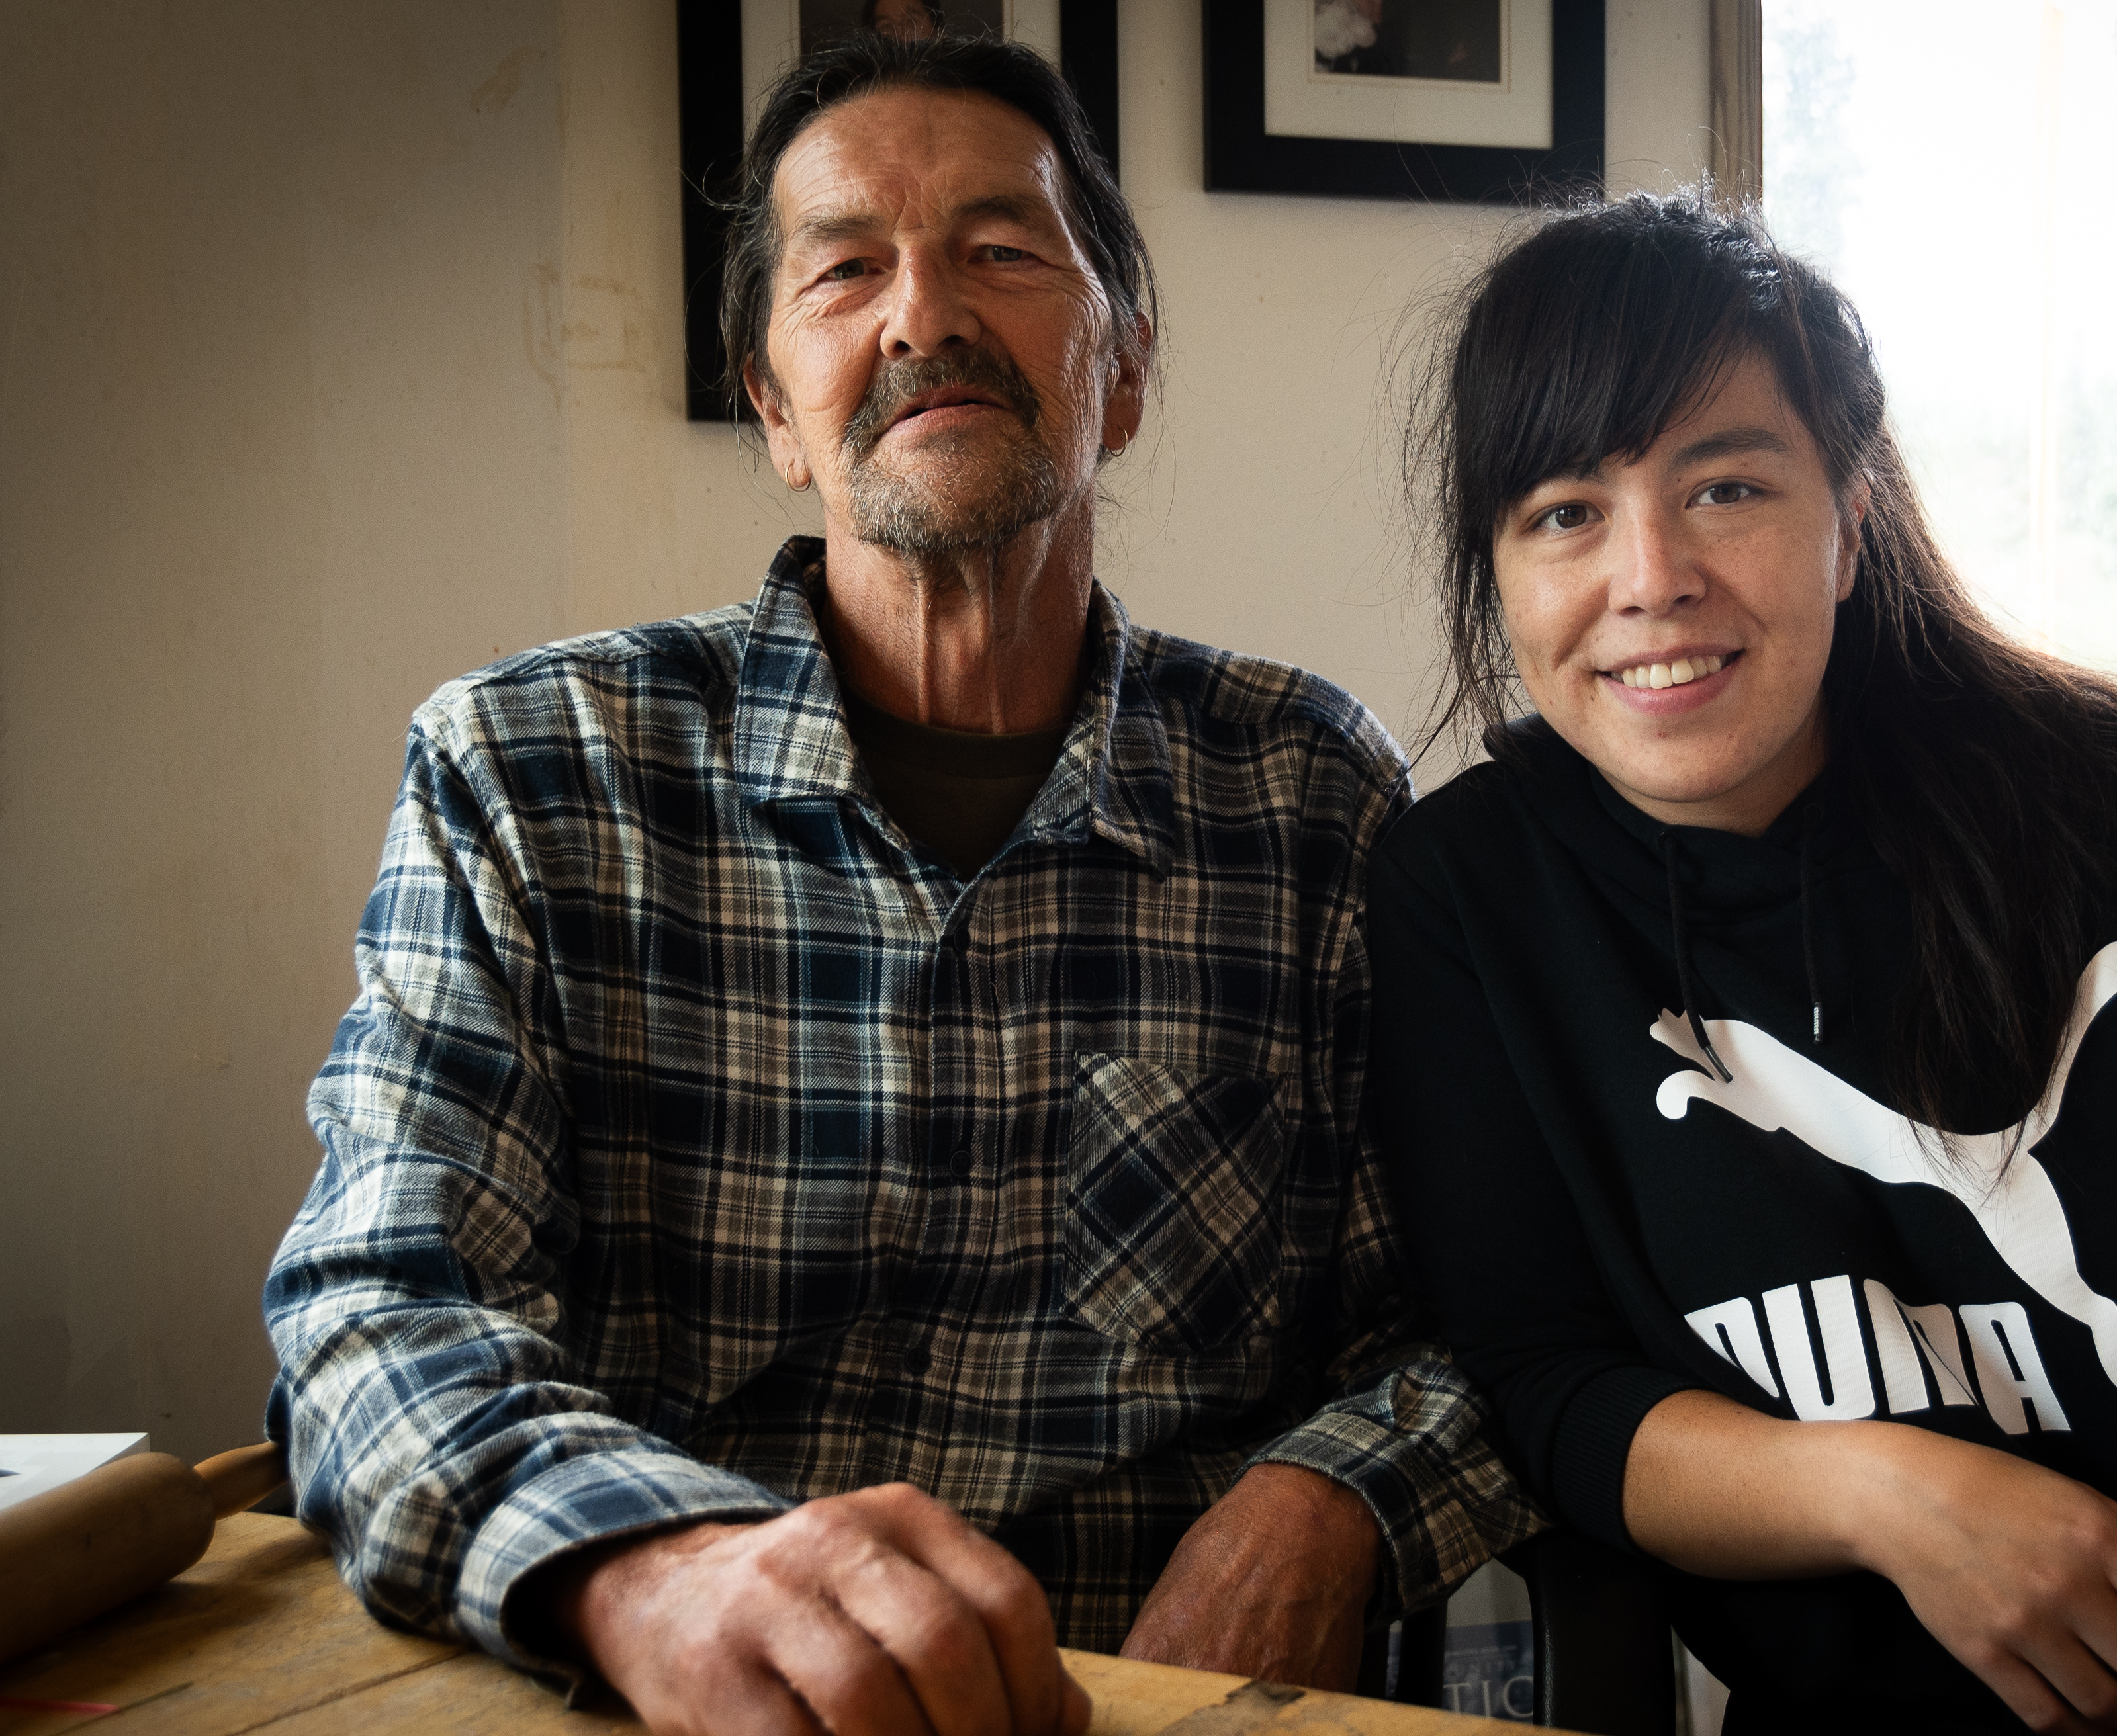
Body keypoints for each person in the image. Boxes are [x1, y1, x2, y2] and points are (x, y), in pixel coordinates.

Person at [262, 32, 1530, 1736]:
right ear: (776, 410)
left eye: (1004, 252)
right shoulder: (530, 769)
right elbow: (381, 1300)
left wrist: (1328, 1498)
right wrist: (656, 1568)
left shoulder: (1307, 793)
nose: (925, 314)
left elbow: (1478, 1308)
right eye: (848, 266)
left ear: (1128, 368)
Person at [1367, 193, 2117, 1735]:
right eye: (1565, 512)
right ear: (1498, 563)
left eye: (1728, 486)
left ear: (1853, 509)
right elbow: (1552, 1384)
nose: (1652, 576)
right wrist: (1901, 1496)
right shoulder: (1460, 891)